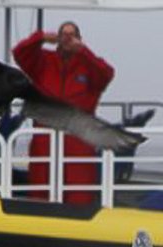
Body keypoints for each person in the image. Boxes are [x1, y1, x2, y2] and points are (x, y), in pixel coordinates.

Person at [12, 21, 116, 203]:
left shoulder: (89, 65)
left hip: (78, 138)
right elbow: (19, 53)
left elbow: (106, 74)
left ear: (80, 39)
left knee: (79, 193)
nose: (68, 39)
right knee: (40, 190)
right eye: (64, 34)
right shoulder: (43, 61)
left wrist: (83, 51)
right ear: (57, 38)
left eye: (72, 35)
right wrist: (41, 37)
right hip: (45, 136)